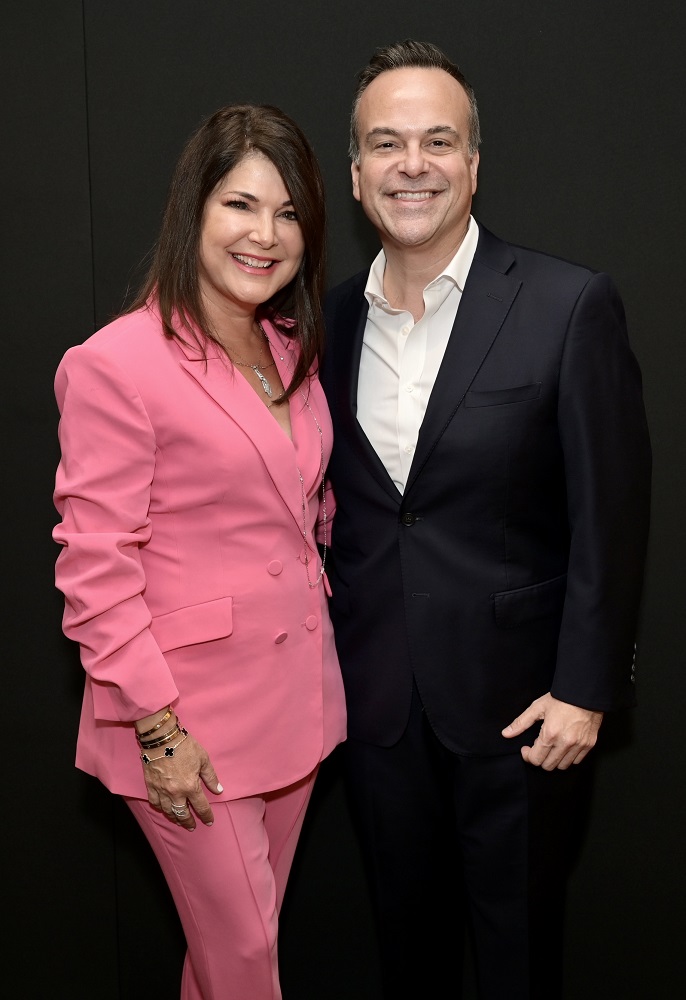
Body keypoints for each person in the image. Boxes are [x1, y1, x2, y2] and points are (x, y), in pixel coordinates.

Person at [322, 40, 651, 1000]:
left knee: (517, 958)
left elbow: (612, 514)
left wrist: (585, 690)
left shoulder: (567, 303)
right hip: (377, 710)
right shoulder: (324, 323)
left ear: (474, 163)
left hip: (523, 715)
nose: (411, 164)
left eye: (437, 141)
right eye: (386, 144)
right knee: (405, 955)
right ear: (355, 173)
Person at [53, 103, 346, 1000]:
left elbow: (302, 503)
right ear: (195, 210)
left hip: (294, 707)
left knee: (229, 959)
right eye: (241, 205)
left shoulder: (286, 346)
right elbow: (94, 563)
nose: (266, 234)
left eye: (289, 213)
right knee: (249, 961)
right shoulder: (118, 362)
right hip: (187, 729)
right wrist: (157, 729)